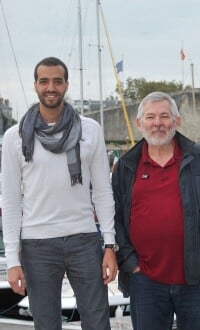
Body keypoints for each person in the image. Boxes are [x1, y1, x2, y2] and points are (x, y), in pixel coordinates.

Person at [1, 56, 117, 329]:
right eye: (44, 81)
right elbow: (10, 198)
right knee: (46, 324)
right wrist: (13, 259)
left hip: (85, 240)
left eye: (57, 81)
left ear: (66, 84)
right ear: (35, 85)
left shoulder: (90, 130)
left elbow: (102, 190)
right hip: (37, 244)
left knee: (98, 321)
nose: (50, 87)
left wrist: (110, 245)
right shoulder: (14, 137)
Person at [111, 91, 200, 330]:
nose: (158, 123)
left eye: (165, 116)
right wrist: (130, 263)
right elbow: (117, 219)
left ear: (177, 121)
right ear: (139, 123)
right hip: (145, 280)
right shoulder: (126, 166)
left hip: (196, 276)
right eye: (151, 117)